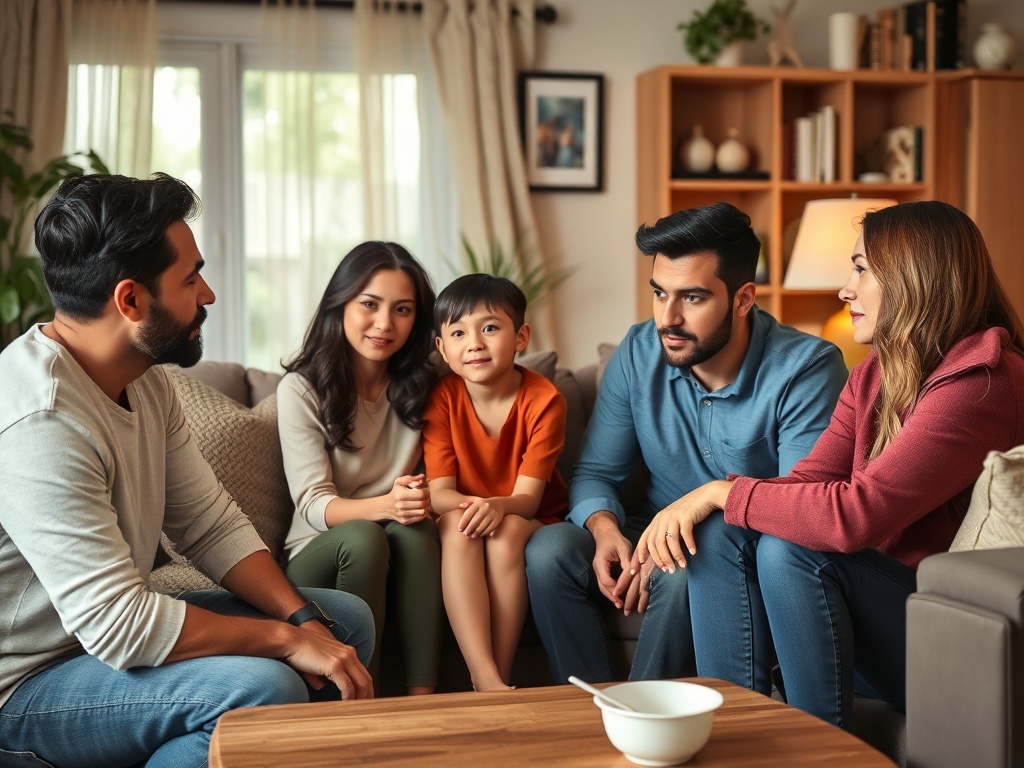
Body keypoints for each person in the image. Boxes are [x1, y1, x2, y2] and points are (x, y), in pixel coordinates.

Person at [0, 173, 374, 768]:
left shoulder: (146, 379)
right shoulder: (41, 419)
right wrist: (284, 639)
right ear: (130, 300)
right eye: (191, 278)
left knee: (345, 624)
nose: (209, 295)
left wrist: (304, 620)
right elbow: (120, 624)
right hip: (25, 685)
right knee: (266, 686)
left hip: (98, 646)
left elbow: (209, 523)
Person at [636, 200, 1024, 729]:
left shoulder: (983, 382)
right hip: (889, 619)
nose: (846, 289)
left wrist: (714, 491)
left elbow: (857, 515)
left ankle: (815, 751)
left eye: (861, 269)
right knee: (724, 530)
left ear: (915, 277)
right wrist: (721, 505)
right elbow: (807, 482)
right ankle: (734, 731)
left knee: (790, 549)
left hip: (953, 637)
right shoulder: (876, 373)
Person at [525, 202, 849, 685]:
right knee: (548, 549)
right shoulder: (639, 351)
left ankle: (642, 713)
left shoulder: (805, 369)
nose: (667, 318)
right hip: (646, 530)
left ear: (743, 299)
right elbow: (596, 473)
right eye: (660, 293)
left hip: (733, 552)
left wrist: (673, 543)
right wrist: (605, 529)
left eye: (692, 298)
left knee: (684, 567)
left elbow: (801, 506)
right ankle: (585, 710)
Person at [279, 241, 442, 696]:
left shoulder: (427, 384)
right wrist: (387, 505)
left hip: (395, 539)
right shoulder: (301, 389)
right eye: (370, 304)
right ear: (341, 304)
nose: (385, 323)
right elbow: (314, 505)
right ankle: (361, 700)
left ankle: (423, 697)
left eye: (402, 309)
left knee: (417, 530)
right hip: (318, 553)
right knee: (364, 536)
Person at [424, 274, 569, 692]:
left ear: (521, 337)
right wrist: (478, 508)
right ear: (442, 348)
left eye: (489, 328)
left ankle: (497, 677)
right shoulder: (442, 398)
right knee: (458, 525)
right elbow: (440, 493)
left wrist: (498, 506)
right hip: (465, 513)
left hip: (528, 515)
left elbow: (528, 499)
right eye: (458, 333)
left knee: (504, 533)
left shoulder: (545, 400)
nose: (474, 343)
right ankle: (483, 674)